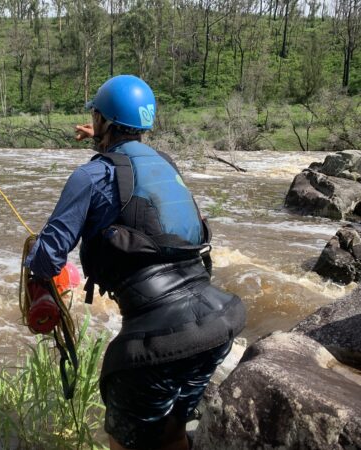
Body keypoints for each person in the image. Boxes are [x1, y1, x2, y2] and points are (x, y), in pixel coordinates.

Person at [25, 75, 246, 450]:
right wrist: (99, 132)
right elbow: (128, 181)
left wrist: (32, 254)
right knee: (174, 434)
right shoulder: (164, 163)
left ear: (104, 123)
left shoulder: (90, 175)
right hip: (218, 322)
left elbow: (47, 260)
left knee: (125, 443)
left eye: (96, 117)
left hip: (157, 343)